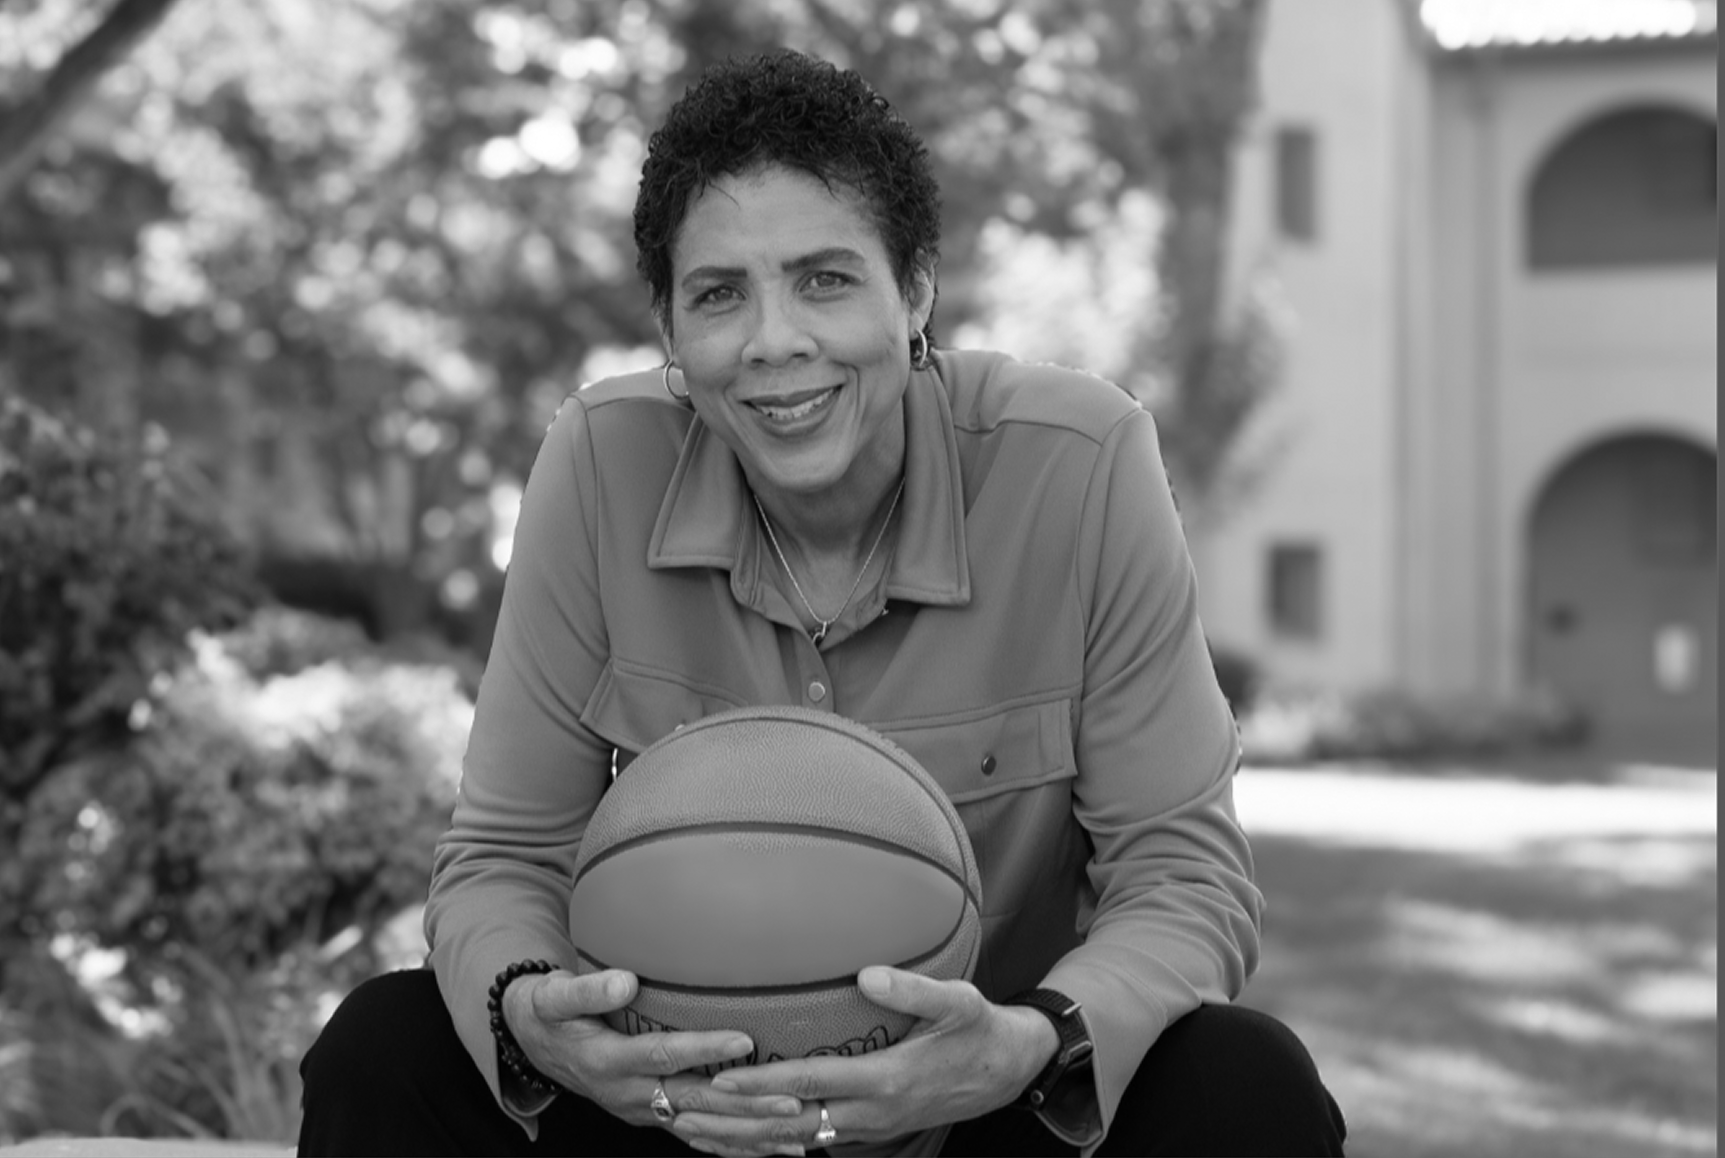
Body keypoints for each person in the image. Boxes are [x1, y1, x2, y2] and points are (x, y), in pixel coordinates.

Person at [298, 50, 1346, 1158]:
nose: (774, 341)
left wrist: (1028, 1045)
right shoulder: (599, 463)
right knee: (386, 1046)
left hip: (980, 1115)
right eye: (719, 294)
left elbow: (1183, 873)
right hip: (677, 1116)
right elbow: (503, 858)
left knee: (1245, 1084)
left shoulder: (1080, 464)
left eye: (826, 280)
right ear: (669, 330)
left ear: (917, 290)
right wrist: (537, 1018)